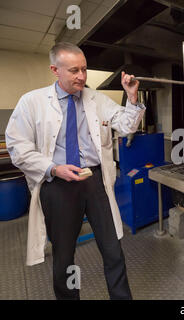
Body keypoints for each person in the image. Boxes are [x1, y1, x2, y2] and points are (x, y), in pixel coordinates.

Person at [5, 42, 145, 300]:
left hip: (94, 181)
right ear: (54, 70)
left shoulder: (96, 99)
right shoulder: (32, 102)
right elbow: (17, 146)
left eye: (84, 69)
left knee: (113, 249)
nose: (81, 76)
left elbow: (126, 126)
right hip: (56, 184)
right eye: (73, 70)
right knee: (64, 255)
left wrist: (132, 99)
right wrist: (53, 168)